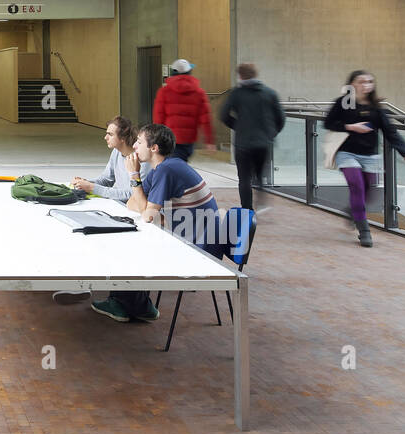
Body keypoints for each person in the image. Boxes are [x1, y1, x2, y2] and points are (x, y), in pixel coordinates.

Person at [92, 123, 221, 323]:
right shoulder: (162, 168)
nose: (134, 146)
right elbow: (132, 204)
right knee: (133, 242)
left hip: (200, 249)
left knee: (130, 246)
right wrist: (142, 201)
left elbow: (147, 215)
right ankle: (138, 306)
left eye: (140, 142)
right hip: (189, 238)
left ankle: (125, 304)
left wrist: (134, 176)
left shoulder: (166, 170)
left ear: (154, 148)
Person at [54, 115, 150, 305]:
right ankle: (81, 284)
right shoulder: (116, 153)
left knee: (92, 236)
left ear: (122, 138)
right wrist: (85, 182)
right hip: (115, 208)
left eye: (109, 134)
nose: (105, 137)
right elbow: (106, 179)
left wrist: (92, 188)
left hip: (131, 214)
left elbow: (128, 193)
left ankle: (85, 286)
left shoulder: (141, 161)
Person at [323, 70, 405, 248]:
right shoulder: (342, 103)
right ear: (352, 84)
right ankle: (364, 231)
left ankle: (353, 210)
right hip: (346, 153)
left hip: (370, 156)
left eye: (369, 81)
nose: (366, 85)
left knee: (368, 192)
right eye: (361, 81)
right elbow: (328, 123)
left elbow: (390, 132)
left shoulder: (377, 108)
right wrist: (351, 127)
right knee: (357, 186)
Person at [219, 63, 285, 210]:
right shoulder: (270, 93)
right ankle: (261, 194)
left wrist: (238, 126)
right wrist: (271, 133)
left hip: (243, 143)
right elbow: (281, 118)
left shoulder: (236, 94)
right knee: (260, 174)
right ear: (256, 74)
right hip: (263, 143)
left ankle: (247, 210)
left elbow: (223, 115)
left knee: (244, 178)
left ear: (240, 76)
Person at [153, 59, 214, 161]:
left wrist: (156, 138)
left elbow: (158, 117)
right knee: (181, 166)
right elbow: (206, 119)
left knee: (170, 168)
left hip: (169, 138)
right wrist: (209, 141)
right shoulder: (199, 93)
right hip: (188, 140)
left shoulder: (164, 92)